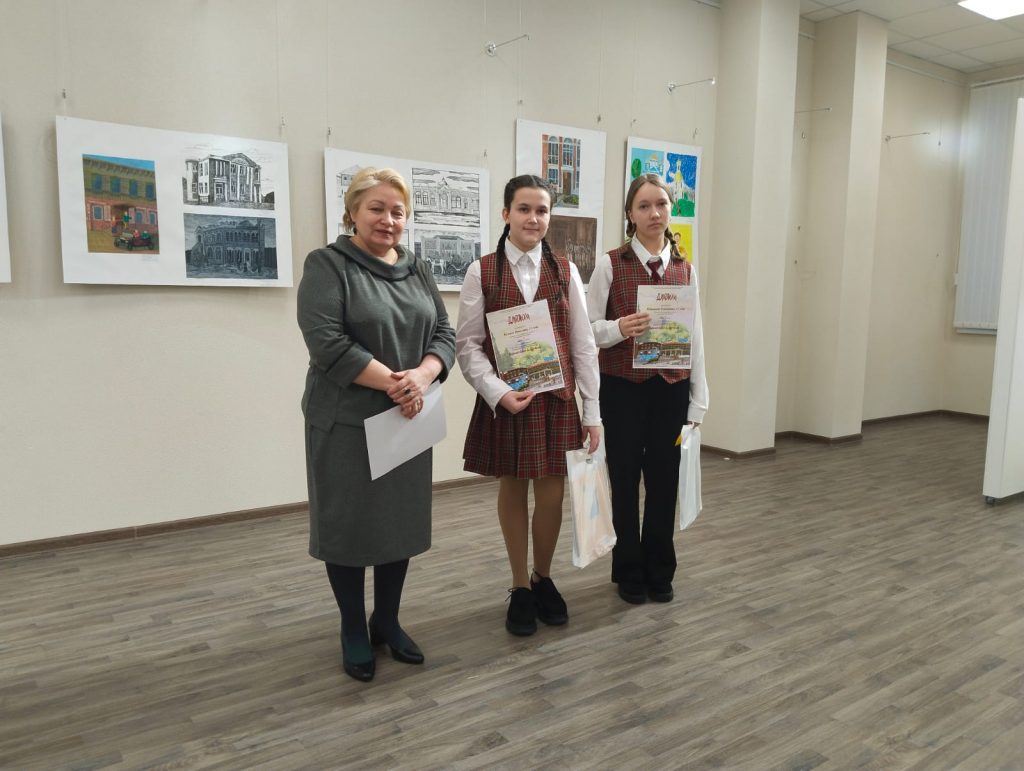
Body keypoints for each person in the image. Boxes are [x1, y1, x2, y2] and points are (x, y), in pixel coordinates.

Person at [297, 167, 455, 682]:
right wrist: (397, 384)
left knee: (396, 524)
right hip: (346, 421)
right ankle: (352, 627)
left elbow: (444, 332)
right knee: (348, 526)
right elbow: (327, 342)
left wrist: (424, 375)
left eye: (398, 211)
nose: (388, 219)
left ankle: (386, 619)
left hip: (406, 420)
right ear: (352, 212)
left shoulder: (417, 268)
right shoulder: (328, 265)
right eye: (377, 208)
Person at [456, 174, 601, 636]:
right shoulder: (481, 271)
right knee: (513, 490)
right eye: (524, 209)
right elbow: (467, 345)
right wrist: (497, 391)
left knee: (553, 496)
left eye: (541, 210)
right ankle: (519, 585)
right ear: (506, 214)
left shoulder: (567, 271)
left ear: (549, 217)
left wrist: (593, 411)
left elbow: (582, 344)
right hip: (508, 401)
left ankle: (543, 577)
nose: (533, 218)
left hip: (557, 401)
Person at [586, 173, 708, 605]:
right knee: (623, 479)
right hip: (622, 389)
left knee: (663, 480)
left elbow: (696, 337)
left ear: (671, 210)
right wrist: (619, 328)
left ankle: (660, 567)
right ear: (630, 214)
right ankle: (628, 568)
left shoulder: (685, 269)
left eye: (661, 204)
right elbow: (587, 330)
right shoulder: (610, 264)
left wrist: (698, 400)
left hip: (670, 390)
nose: (654, 213)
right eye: (644, 206)